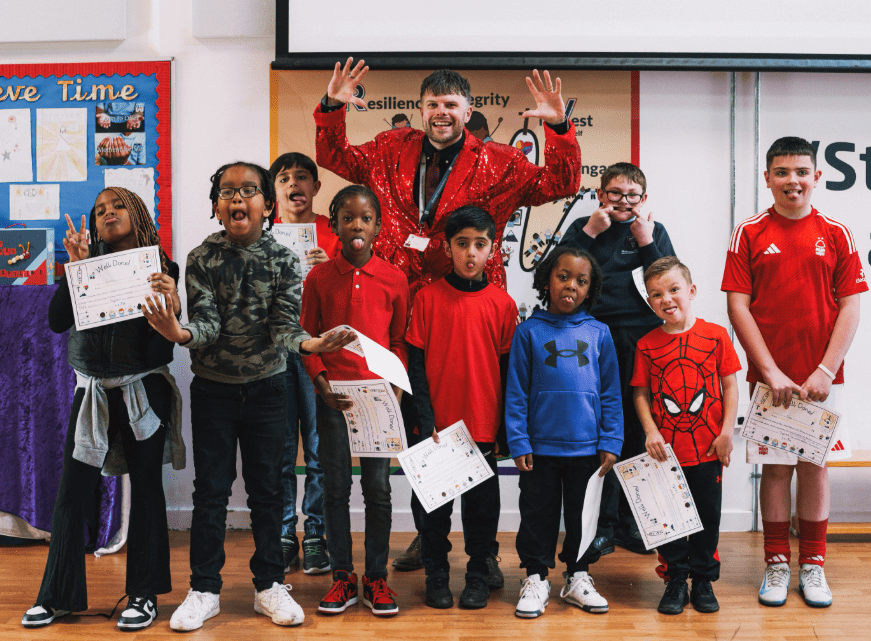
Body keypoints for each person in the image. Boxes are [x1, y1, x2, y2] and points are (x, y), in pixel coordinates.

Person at [316, 58, 582, 573]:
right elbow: (333, 154)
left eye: (452, 105)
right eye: (433, 105)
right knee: (423, 431)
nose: (442, 113)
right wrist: (331, 106)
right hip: (404, 310)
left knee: (480, 431)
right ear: (421, 110)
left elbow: (563, 181)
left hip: (473, 307)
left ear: (468, 110)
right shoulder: (389, 149)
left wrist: (558, 126)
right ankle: (429, 538)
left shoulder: (500, 161)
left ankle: (483, 551)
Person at [143, 161, 353, 630]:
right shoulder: (200, 258)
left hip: (268, 389)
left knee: (268, 490)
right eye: (227, 192)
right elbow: (207, 324)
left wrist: (311, 344)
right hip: (215, 391)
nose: (238, 199)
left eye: (249, 191)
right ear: (217, 206)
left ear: (267, 206)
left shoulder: (282, 260)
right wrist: (179, 332)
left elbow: (283, 326)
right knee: (211, 492)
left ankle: (269, 587)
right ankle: (203, 589)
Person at [22, 188, 185, 631]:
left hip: (141, 388)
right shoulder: (85, 265)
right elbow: (57, 321)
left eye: (117, 207)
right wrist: (73, 269)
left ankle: (144, 595)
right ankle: (56, 596)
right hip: (92, 390)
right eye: (100, 210)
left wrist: (169, 307)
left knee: (148, 490)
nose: (108, 213)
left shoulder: (160, 268)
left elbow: (160, 352)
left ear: (137, 215)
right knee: (72, 492)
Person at [722, 136, 866, 608]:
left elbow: (850, 307)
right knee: (777, 470)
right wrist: (768, 371)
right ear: (767, 178)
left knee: (815, 468)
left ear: (817, 177)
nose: (792, 181)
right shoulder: (748, 233)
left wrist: (826, 369)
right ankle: (777, 564)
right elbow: (738, 306)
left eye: (801, 172)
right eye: (782, 172)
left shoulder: (838, 233)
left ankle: (814, 565)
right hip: (772, 382)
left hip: (822, 380)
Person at [300, 185, 408, 617]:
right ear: (336, 225)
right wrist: (321, 383)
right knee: (335, 489)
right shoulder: (319, 278)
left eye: (365, 218)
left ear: (378, 226)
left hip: (378, 400)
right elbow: (305, 340)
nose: (357, 226)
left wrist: (395, 388)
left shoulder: (395, 279)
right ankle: (342, 576)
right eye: (348, 218)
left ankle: (377, 577)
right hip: (334, 401)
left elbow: (398, 340)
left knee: (379, 490)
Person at [560, 162, 675, 556]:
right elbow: (553, 272)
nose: (624, 202)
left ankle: (635, 523)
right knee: (602, 432)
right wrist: (591, 232)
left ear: (644, 199)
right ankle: (601, 526)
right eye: (615, 194)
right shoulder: (585, 227)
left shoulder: (653, 231)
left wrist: (644, 239)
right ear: (600, 195)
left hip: (644, 337)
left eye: (632, 195)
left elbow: (667, 282)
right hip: (593, 337)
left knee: (640, 430)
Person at [405, 206, 517, 610]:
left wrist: (506, 428)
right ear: (448, 247)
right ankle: (436, 575)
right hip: (438, 427)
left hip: (483, 426)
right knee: (434, 512)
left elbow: (507, 372)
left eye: (480, 244)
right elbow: (415, 365)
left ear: (492, 250)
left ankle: (476, 575)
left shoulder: (503, 304)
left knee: (482, 511)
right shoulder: (427, 298)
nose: (471, 253)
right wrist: (425, 417)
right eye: (462, 244)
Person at [505, 245, 622, 619]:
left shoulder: (600, 333)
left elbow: (610, 392)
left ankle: (577, 577)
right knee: (537, 514)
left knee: (582, 517)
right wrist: (519, 439)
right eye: (563, 276)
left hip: (587, 449)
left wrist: (611, 440)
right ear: (546, 280)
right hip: (539, 448)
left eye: (581, 281)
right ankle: (536, 577)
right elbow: (517, 391)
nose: (571, 286)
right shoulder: (528, 332)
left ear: (590, 289)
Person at [632, 257, 740, 615]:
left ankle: (704, 579)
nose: (667, 299)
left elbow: (729, 386)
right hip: (666, 452)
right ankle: (675, 577)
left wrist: (727, 433)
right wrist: (650, 431)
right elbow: (641, 393)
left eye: (674, 289)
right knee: (670, 518)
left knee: (708, 515)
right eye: (656, 294)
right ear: (650, 302)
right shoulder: (647, 344)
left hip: (709, 448)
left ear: (691, 291)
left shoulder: (716, 336)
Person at [270, 152, 339, 575]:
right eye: (284, 178)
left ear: (315, 187)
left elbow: (353, 289)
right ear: (274, 190)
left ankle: (315, 533)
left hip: (320, 352)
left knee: (317, 450)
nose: (293, 184)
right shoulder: (261, 235)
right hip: (275, 354)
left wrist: (329, 270)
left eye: (302, 177)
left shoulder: (333, 232)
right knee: (279, 451)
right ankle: (282, 533)